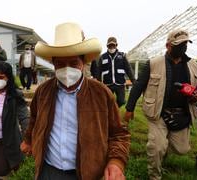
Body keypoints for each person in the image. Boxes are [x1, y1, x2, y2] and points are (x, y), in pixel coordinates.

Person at [20, 22, 130, 180]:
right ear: (53, 64)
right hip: (48, 170)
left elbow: (119, 134)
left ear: (83, 63)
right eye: (60, 64)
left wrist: (115, 162)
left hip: (87, 173)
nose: (66, 70)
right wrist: (29, 140)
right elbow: (34, 119)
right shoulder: (43, 91)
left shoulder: (101, 93)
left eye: (73, 64)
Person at [124, 29, 197, 180]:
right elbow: (139, 85)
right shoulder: (154, 63)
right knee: (157, 146)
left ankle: (162, 149)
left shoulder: (193, 65)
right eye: (179, 44)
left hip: (182, 114)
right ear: (168, 45)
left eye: (185, 44)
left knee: (182, 149)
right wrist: (129, 108)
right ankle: (155, 175)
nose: (183, 47)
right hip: (158, 113)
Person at [98, 37, 135, 107]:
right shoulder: (103, 57)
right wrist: (98, 83)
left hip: (120, 84)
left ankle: (115, 109)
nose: (111, 47)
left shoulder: (122, 56)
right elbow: (99, 71)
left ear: (116, 45)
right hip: (108, 84)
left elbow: (128, 69)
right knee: (107, 102)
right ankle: (111, 113)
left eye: (113, 45)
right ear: (107, 46)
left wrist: (133, 80)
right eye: (109, 45)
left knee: (121, 101)